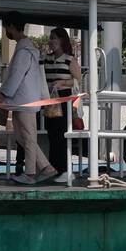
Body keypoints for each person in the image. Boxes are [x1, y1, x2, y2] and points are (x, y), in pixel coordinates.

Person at [0, 15, 58, 185]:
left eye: (6, 27)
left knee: (27, 137)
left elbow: (16, 76)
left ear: (12, 26)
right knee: (21, 136)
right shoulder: (30, 49)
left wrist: (3, 94)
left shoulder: (24, 51)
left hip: (24, 101)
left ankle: (30, 173)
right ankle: (45, 167)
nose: (6, 31)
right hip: (24, 100)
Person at [41, 27, 83, 176]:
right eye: (50, 38)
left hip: (65, 101)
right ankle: (54, 168)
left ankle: (65, 169)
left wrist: (61, 83)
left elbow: (78, 81)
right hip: (50, 101)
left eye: (55, 38)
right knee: (52, 135)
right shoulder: (45, 59)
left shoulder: (69, 59)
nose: (51, 41)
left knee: (62, 135)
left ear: (62, 40)